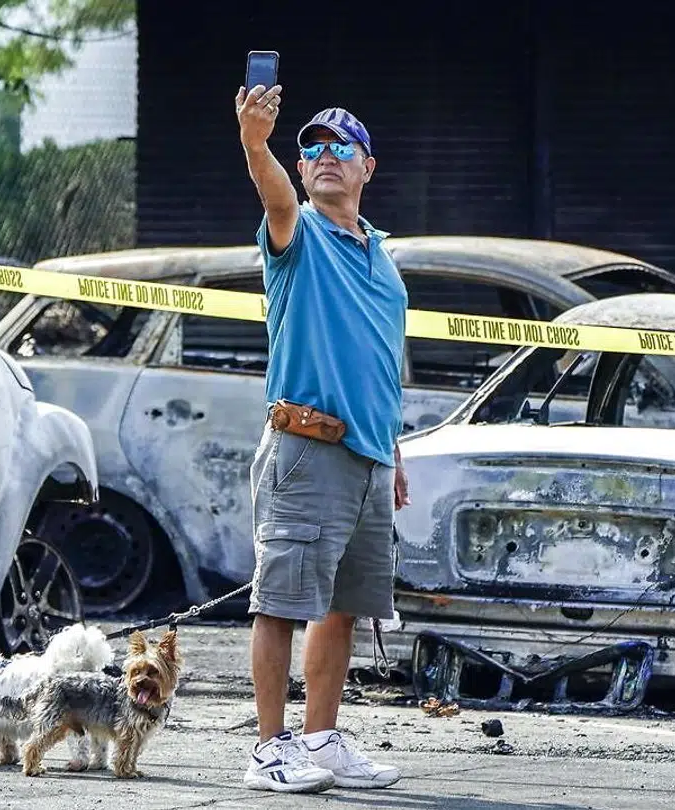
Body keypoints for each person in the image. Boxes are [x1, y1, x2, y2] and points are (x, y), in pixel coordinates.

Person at [234, 79, 410, 794]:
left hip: (366, 455)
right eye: (314, 150)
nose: (326, 155)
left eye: (344, 146)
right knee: (280, 601)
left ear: (370, 166)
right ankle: (268, 749)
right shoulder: (295, 232)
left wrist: (392, 447)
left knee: (344, 607)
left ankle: (322, 738)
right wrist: (255, 141)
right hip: (307, 450)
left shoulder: (383, 257)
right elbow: (272, 192)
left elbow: (379, 358)